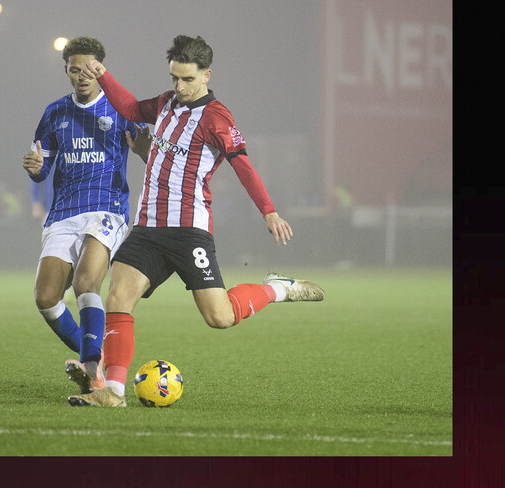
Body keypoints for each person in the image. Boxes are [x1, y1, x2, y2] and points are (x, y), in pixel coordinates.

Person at [68, 35, 325, 407]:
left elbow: (244, 167)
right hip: (148, 227)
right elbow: (129, 107)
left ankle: (277, 288)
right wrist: (105, 76)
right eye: (175, 78)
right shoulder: (167, 104)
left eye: (187, 79)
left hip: (189, 232)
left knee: (219, 317)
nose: (179, 87)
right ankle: (114, 392)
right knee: (118, 299)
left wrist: (268, 211)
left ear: (206, 75)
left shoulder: (217, 117)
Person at [22, 36, 151, 398]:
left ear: (101, 70)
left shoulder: (120, 109)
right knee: (46, 297)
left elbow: (152, 157)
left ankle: (93, 368)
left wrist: (144, 152)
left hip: (106, 207)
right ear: (66, 70)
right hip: (64, 212)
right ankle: (95, 356)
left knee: (86, 283)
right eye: (74, 69)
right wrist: (35, 168)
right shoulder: (55, 112)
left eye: (89, 69)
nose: (82, 76)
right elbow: (42, 166)